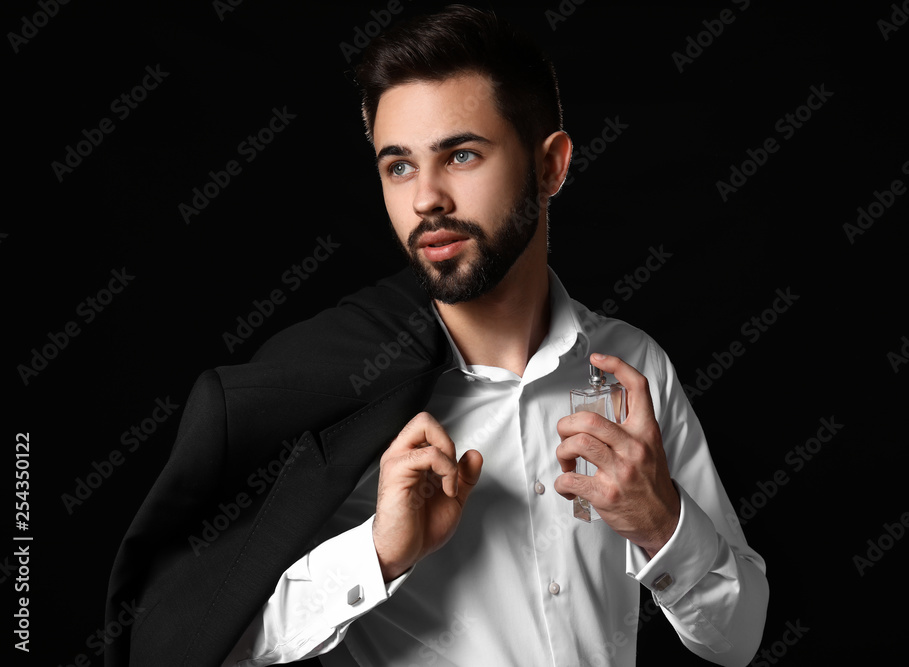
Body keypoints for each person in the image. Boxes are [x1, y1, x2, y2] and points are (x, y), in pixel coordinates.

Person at [108, 6, 767, 667]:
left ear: (551, 168)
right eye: (398, 166)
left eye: (460, 154)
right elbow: (189, 645)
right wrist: (376, 552)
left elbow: (737, 639)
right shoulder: (346, 390)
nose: (426, 198)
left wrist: (662, 522)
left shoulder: (631, 367)